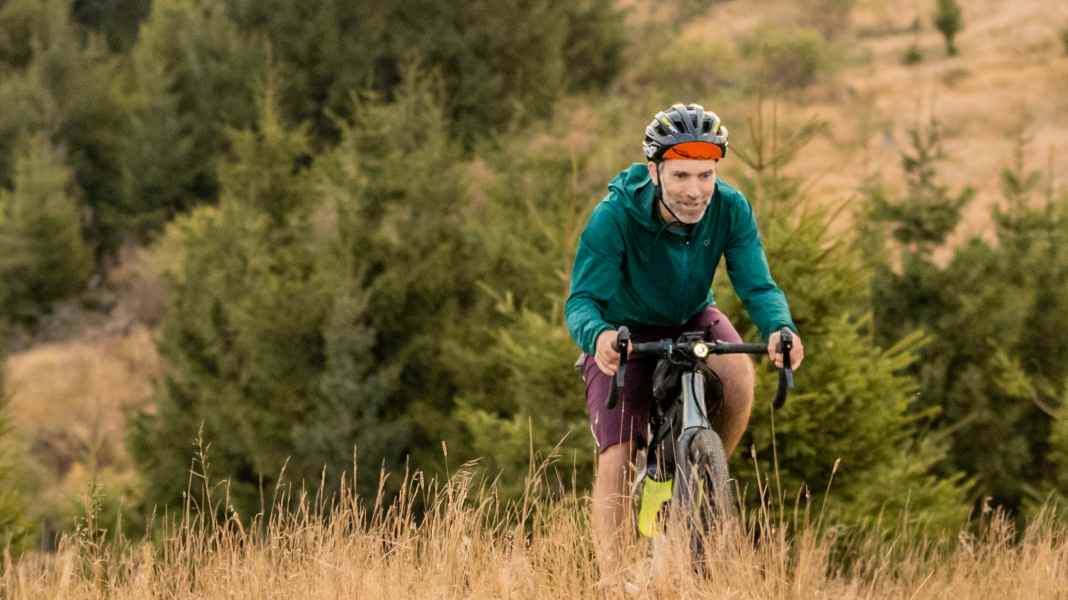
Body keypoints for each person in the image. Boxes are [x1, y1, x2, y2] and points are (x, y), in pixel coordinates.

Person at [564, 103, 806, 576]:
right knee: (617, 453)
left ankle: (703, 475)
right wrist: (600, 337)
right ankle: (614, 579)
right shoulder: (614, 215)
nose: (695, 191)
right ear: (655, 171)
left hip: (691, 315)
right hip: (623, 331)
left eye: (705, 175)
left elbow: (756, 284)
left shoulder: (730, 208)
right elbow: (581, 302)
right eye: (681, 176)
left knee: (737, 375)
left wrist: (781, 328)